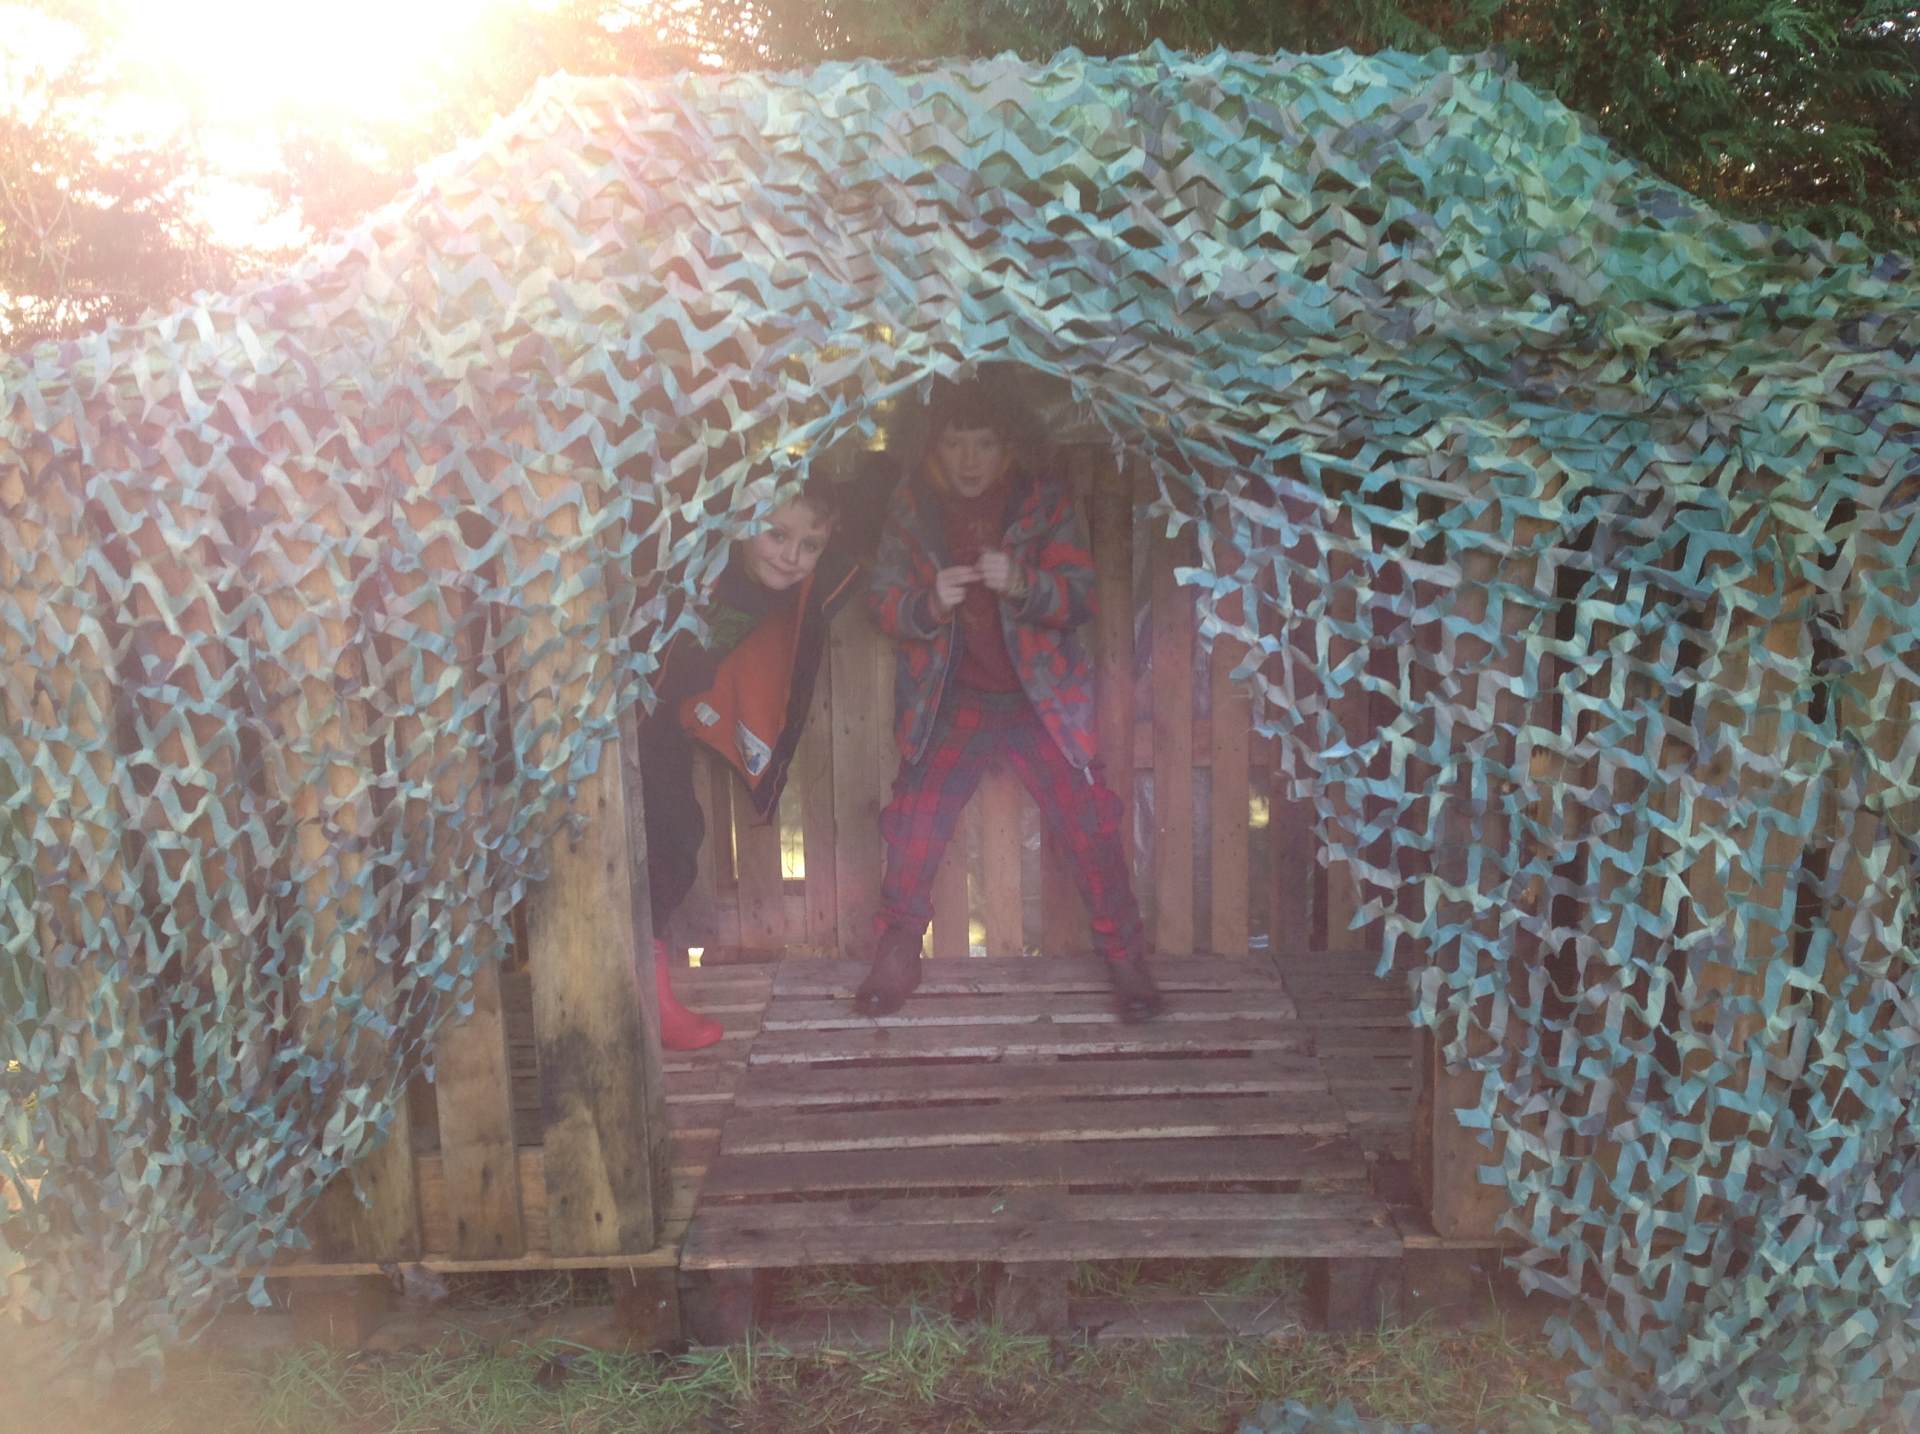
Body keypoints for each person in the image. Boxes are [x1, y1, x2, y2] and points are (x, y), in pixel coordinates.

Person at [854, 376, 1164, 1022]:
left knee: (1089, 822)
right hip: (952, 697)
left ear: (1012, 446)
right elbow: (881, 599)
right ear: (931, 445)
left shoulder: (1042, 502)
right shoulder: (913, 506)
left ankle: (1127, 960)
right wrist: (927, 604)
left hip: (1040, 699)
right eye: (954, 443)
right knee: (915, 821)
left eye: (985, 443)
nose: (969, 459)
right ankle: (898, 952)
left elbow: (1079, 595)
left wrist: (1024, 583)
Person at [641, 478, 858, 1048]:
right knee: (666, 840)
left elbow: (867, 514)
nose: (790, 556)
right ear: (740, 521)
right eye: (776, 534)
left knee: (675, 840)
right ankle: (643, 1000)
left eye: (809, 545)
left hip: (658, 720)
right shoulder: (702, 561)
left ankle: (646, 998)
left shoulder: (789, 586)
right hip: (618, 711)